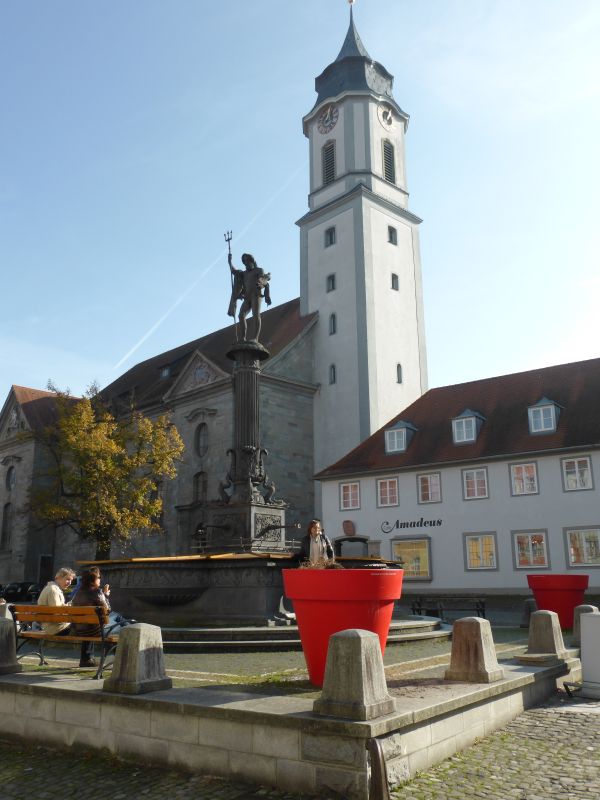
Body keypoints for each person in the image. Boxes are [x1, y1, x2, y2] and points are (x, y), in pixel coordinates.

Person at [71, 567, 131, 667]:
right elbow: (107, 610)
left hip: (80, 629)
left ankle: (86, 659)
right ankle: (122, 659)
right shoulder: (97, 592)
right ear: (92, 580)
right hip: (97, 631)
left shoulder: (78, 593)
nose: (100, 579)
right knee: (122, 624)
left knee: (115, 617)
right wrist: (105, 595)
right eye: (98, 577)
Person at [227, 252, 271, 341]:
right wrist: (230, 261)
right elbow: (234, 271)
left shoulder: (259, 270)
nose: (246, 264)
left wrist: (263, 285)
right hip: (247, 297)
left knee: (255, 315)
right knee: (241, 315)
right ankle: (243, 338)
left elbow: (263, 280)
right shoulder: (244, 273)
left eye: (247, 261)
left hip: (256, 295)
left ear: (252, 261)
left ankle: (255, 338)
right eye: (244, 262)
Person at [37, 567, 76, 635]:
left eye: (71, 580)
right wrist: (72, 605)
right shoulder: (54, 590)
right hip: (57, 629)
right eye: (67, 579)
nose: (70, 583)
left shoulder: (52, 588)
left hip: (53, 627)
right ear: (58, 578)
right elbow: (57, 615)